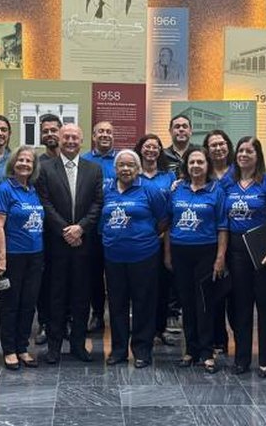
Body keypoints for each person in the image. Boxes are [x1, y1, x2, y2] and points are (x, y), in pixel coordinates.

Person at [37, 124, 103, 364]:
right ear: (60, 139)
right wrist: (65, 229)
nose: (71, 140)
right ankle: (54, 346)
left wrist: (81, 228)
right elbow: (44, 203)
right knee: (55, 296)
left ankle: (78, 344)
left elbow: (98, 203)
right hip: (56, 243)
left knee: (81, 297)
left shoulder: (94, 169)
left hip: (84, 245)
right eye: (66, 137)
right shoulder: (44, 168)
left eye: (75, 137)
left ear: (82, 140)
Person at [101, 150, 168, 368]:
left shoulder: (150, 190)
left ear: (138, 169)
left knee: (143, 304)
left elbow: (163, 220)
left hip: (144, 256)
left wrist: (145, 235)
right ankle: (119, 350)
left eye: (130, 165)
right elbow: (101, 221)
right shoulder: (107, 190)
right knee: (117, 304)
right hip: (113, 257)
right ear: (115, 168)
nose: (126, 169)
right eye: (121, 165)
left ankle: (142, 351)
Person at [225, 137, 266, 377]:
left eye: (249, 151)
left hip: (262, 252)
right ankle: (241, 359)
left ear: (257, 155)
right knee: (241, 306)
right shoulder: (229, 182)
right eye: (240, 150)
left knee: (265, 305)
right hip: (236, 251)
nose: (244, 155)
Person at [165, 147, 228, 374]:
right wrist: (168, 254)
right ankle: (190, 350)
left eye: (200, 162)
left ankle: (207, 352)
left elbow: (222, 227)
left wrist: (220, 257)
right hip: (181, 252)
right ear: (186, 166)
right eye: (192, 162)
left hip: (206, 252)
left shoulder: (216, 191)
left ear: (207, 165)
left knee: (204, 304)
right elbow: (169, 224)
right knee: (187, 303)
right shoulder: (177, 189)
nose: (196, 166)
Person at [0, 146, 44, 370]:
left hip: (35, 255)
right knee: (11, 305)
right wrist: (1, 258)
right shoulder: (5, 189)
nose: (24, 164)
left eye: (29, 161)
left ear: (33, 167)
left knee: (28, 304)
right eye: (21, 160)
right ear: (13, 164)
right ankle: (10, 350)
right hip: (13, 256)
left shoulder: (33, 190)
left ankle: (23, 347)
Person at [134, 134, 177, 346]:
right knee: (142, 288)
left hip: (163, 239)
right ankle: (144, 330)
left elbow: (171, 209)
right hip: (139, 242)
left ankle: (160, 328)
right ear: (140, 149)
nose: (151, 150)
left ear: (160, 151)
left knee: (162, 287)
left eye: (155, 147)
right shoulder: (133, 175)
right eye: (147, 146)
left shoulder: (168, 177)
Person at [81, 120, 116, 334]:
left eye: (109, 132)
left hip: (115, 227)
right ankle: (96, 314)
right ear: (93, 136)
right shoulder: (83, 160)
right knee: (93, 274)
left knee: (115, 275)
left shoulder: (122, 160)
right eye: (100, 131)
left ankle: (118, 314)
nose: (105, 134)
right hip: (91, 227)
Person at [203, 130, 235, 356]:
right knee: (212, 292)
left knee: (233, 294)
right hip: (209, 241)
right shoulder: (203, 173)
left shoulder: (238, 172)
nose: (218, 148)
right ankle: (217, 337)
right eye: (212, 145)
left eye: (221, 144)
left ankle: (236, 340)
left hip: (239, 241)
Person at [35, 113, 63, 345]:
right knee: (45, 282)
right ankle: (45, 323)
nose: (50, 134)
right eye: (46, 131)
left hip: (71, 233)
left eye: (54, 130)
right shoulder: (37, 164)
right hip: (44, 233)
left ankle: (68, 321)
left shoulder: (74, 162)